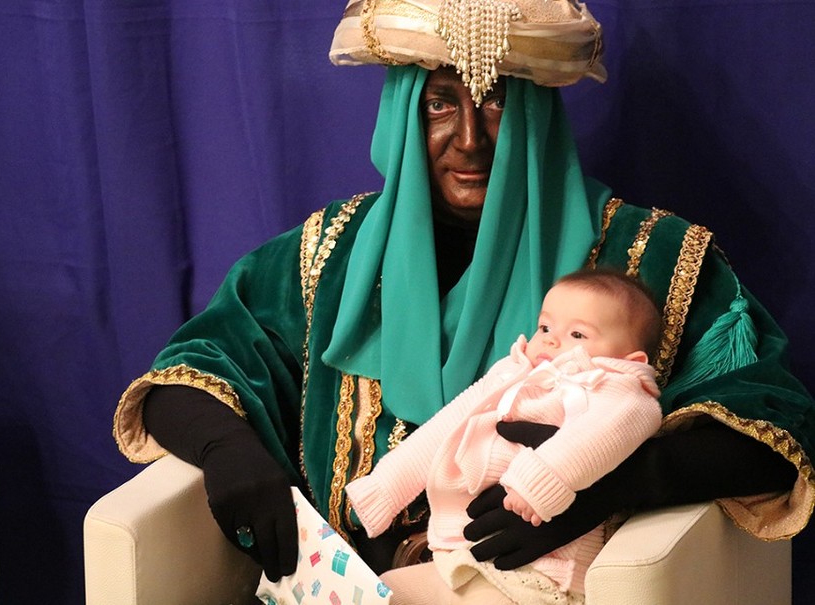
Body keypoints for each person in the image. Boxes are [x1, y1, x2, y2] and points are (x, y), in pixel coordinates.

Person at [111, 0, 814, 596]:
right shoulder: (327, 253)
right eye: (440, 103)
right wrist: (228, 450)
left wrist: (610, 481)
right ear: (401, 114)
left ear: (538, 110)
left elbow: (771, 432)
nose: (470, 139)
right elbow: (189, 373)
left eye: (498, 100)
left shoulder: (652, 256)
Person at [345, 269, 664, 604]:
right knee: (385, 591)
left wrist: (536, 483)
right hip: (459, 555)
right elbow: (446, 426)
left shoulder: (617, 388)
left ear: (630, 359)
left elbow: (595, 438)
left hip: (541, 567)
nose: (551, 340)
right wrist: (384, 486)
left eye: (577, 334)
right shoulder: (512, 372)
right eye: (545, 327)